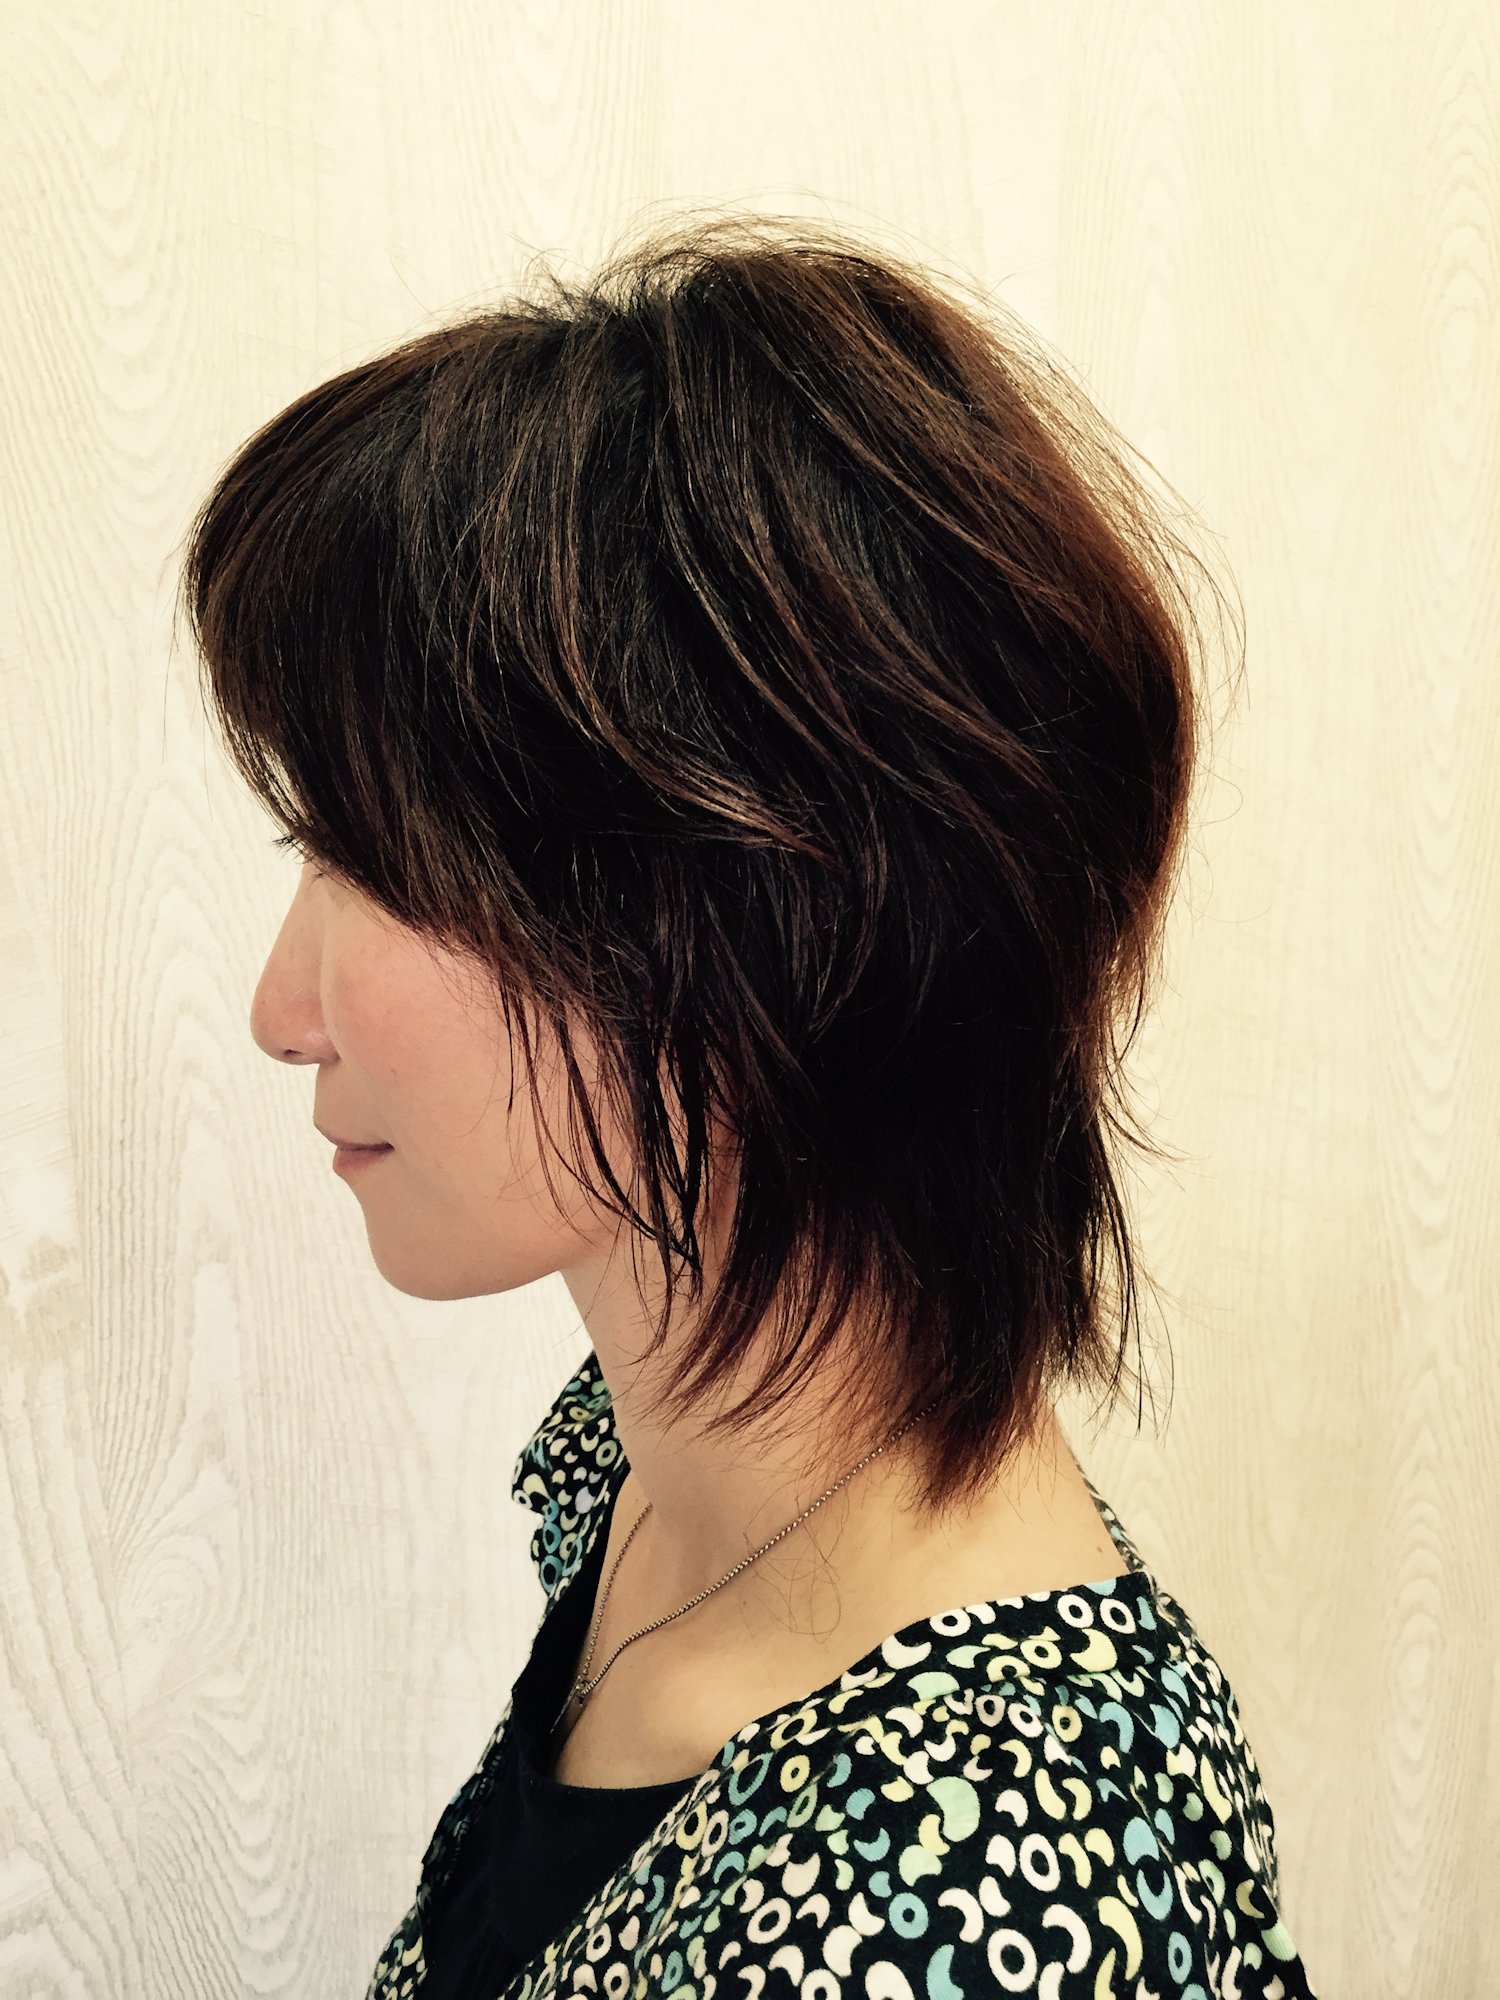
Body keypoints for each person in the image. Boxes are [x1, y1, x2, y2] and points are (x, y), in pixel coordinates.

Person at [180, 214, 1320, 1996]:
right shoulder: (664, 1465)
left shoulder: (954, 1906)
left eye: (369, 859)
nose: (281, 1012)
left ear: (760, 922)